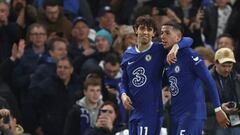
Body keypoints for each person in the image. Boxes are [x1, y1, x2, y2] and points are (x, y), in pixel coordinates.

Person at [119, 15, 192, 135]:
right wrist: (123, 95)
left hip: (151, 112)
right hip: (133, 111)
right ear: (136, 30)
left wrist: (175, 48)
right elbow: (123, 81)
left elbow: (188, 40)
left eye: (149, 29)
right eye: (142, 28)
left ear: (154, 33)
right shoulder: (128, 54)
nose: (145, 32)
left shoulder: (159, 49)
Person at [160, 21, 229, 135]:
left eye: (167, 33)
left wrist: (218, 109)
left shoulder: (190, 55)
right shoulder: (167, 58)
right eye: (161, 33)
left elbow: (209, 81)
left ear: (178, 37)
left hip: (192, 114)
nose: (162, 36)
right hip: (176, 113)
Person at [205, 48, 240, 135]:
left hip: (235, 122)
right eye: (224, 66)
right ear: (216, 63)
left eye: (230, 66)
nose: (227, 70)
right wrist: (219, 108)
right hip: (214, 124)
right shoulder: (205, 80)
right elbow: (199, 104)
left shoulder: (237, 78)